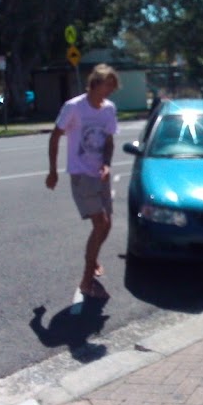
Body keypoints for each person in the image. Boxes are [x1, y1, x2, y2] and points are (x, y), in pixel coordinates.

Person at [45, 64, 120, 300]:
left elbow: (109, 141)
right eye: (106, 87)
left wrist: (106, 164)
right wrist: (53, 171)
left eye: (112, 89)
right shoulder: (74, 107)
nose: (108, 93)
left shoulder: (109, 109)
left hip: (100, 175)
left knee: (106, 225)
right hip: (81, 174)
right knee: (101, 224)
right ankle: (87, 281)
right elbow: (55, 136)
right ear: (95, 83)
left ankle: (93, 256)